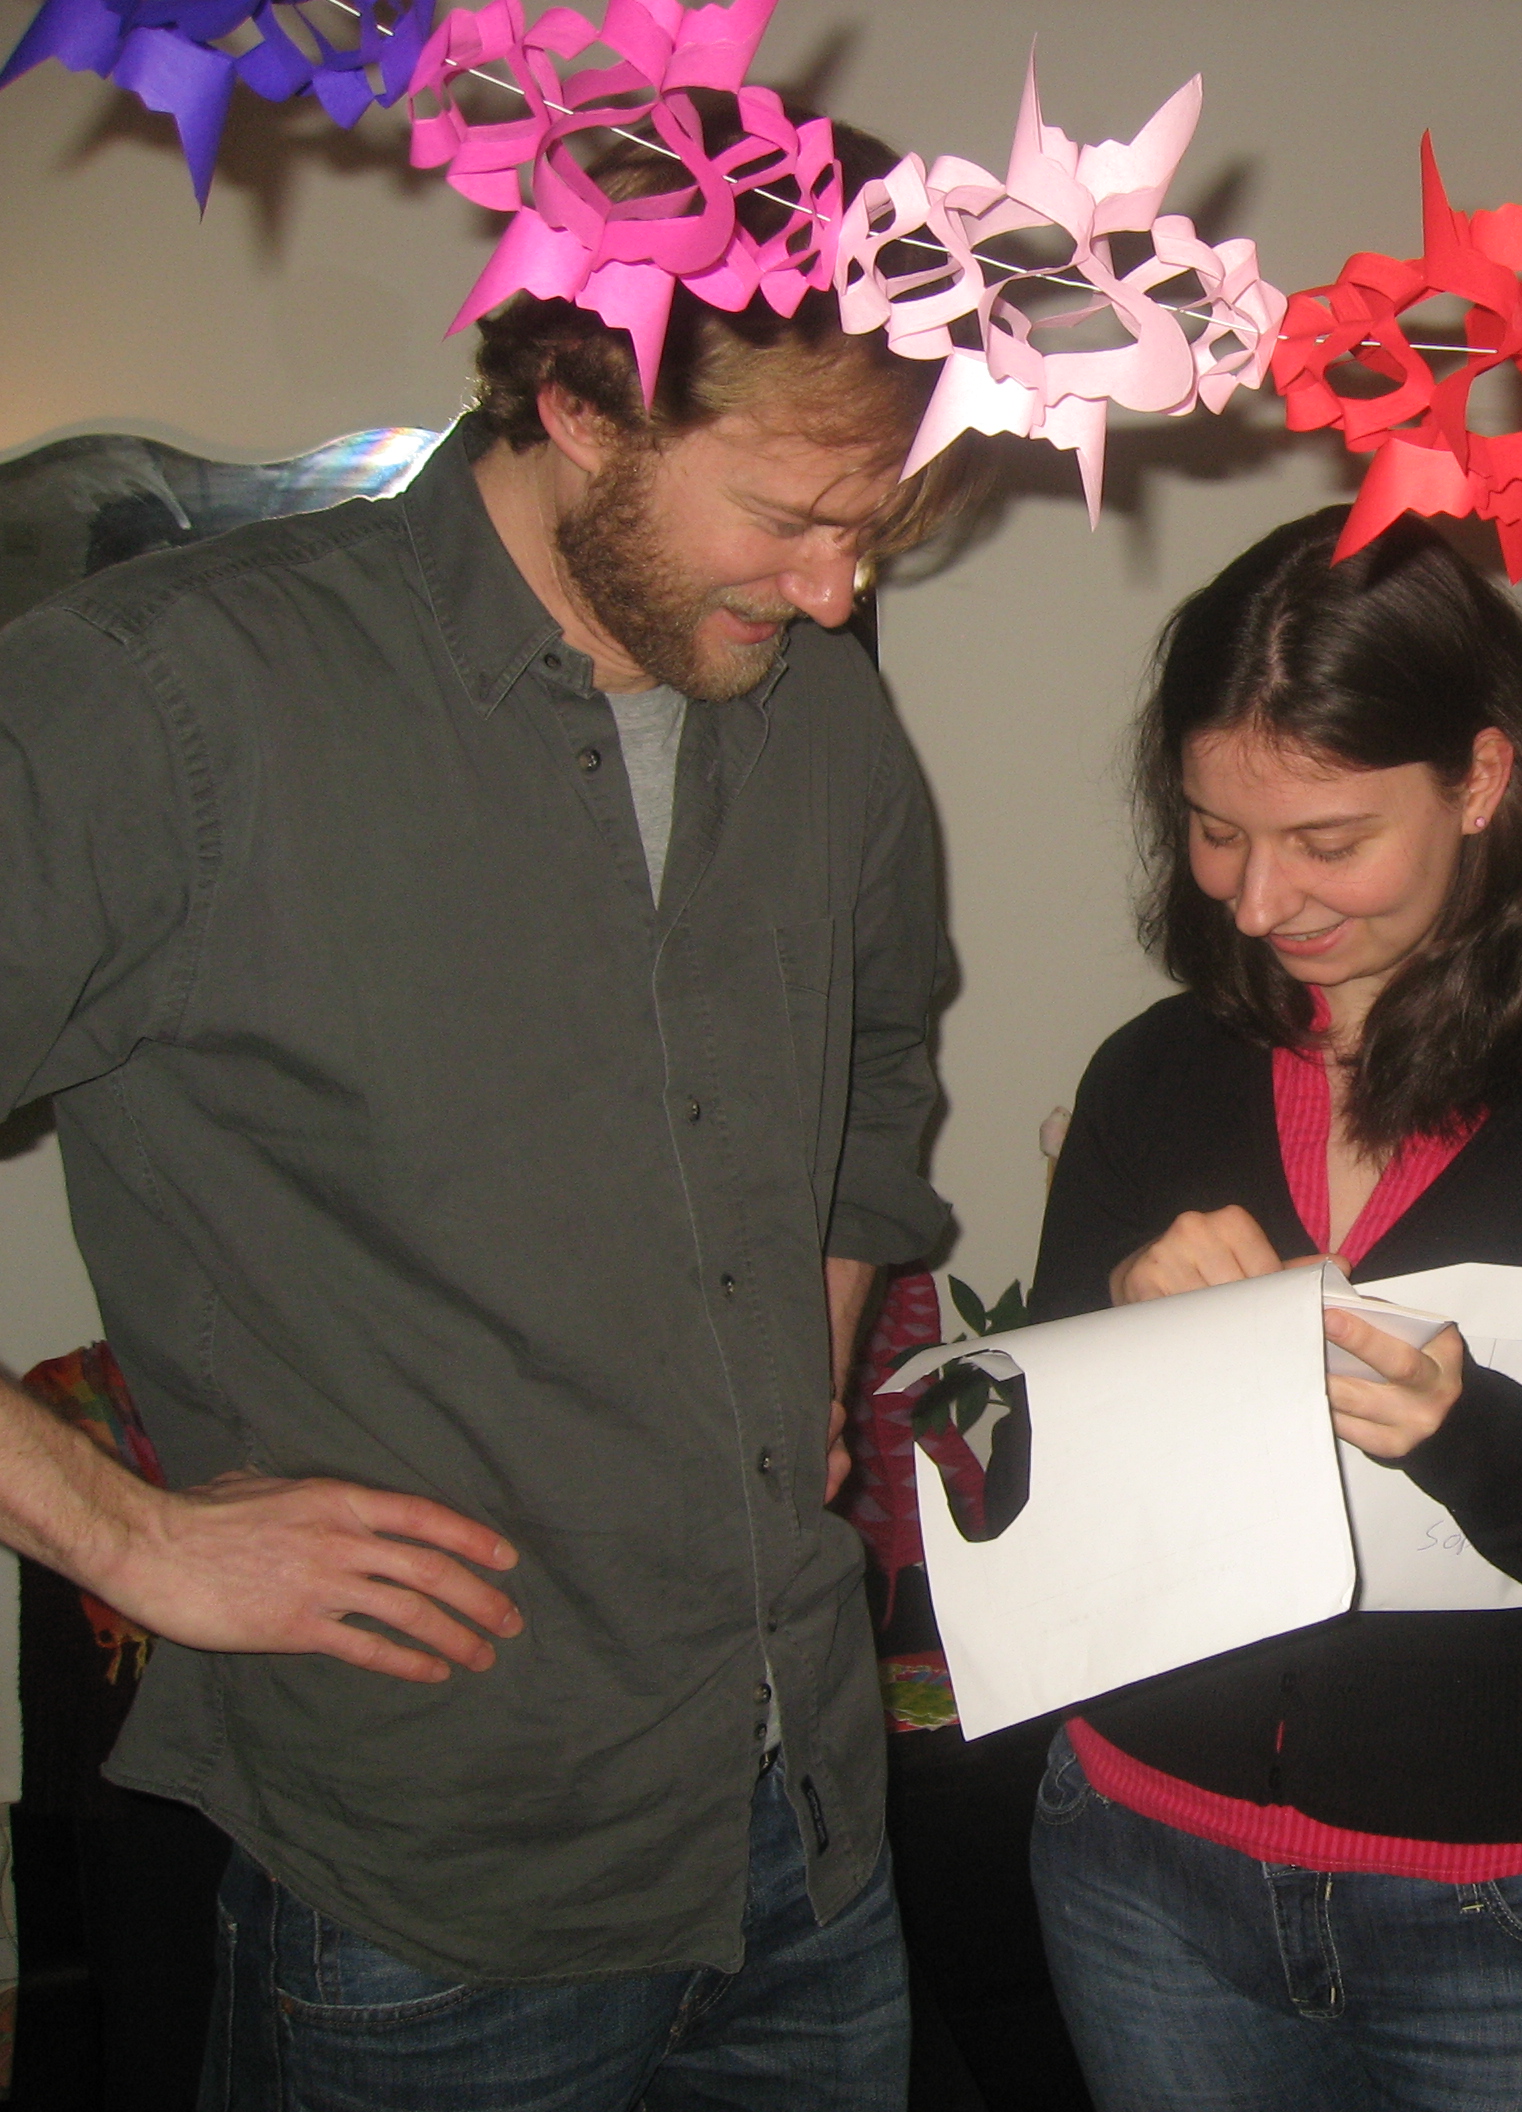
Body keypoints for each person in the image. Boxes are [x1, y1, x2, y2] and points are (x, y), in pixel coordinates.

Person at [0, 99, 956, 2109]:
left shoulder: (830, 721)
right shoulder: (165, 703)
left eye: (876, 522)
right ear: (579, 402)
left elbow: (875, 1083)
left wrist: (806, 1357)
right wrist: (133, 1542)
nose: (838, 588)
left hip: (807, 1828)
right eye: (791, 512)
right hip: (430, 1899)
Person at [1023, 505, 1522, 2111]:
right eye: (1215, 831)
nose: (1259, 903)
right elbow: (1028, 1495)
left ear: (1480, 779)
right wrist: (1117, 1321)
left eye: (1329, 842)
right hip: (1142, 1860)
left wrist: (1476, 1440)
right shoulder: (1156, 1074)